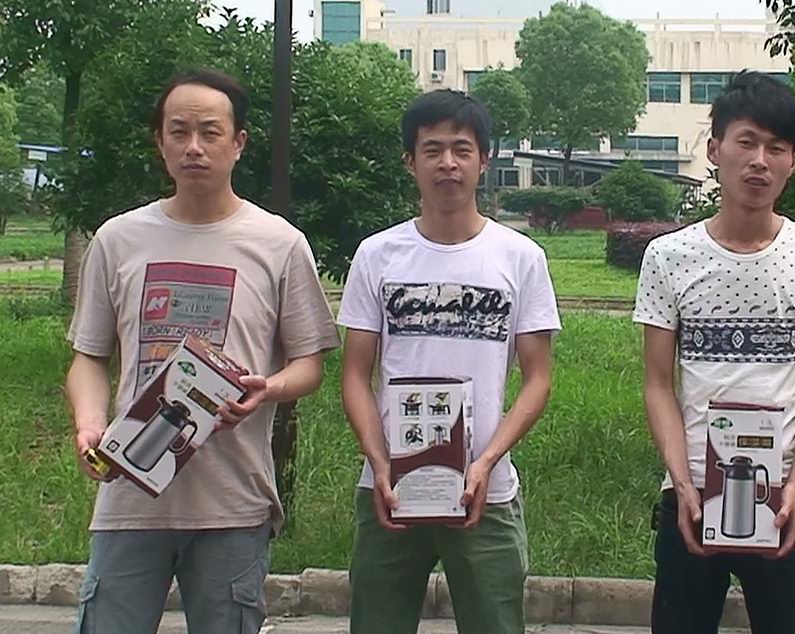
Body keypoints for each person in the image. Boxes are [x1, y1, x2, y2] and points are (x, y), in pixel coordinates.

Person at [66, 69, 340, 634]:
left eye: (210, 132)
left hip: (232, 501)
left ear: (238, 143)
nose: (194, 146)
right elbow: (90, 355)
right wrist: (90, 422)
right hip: (129, 495)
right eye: (179, 131)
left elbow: (309, 364)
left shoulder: (280, 244)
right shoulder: (118, 239)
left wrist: (269, 389)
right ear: (160, 143)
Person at [634, 71, 795, 634]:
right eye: (746, 142)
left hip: (785, 499)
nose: (759, 161)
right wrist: (682, 483)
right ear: (715, 150)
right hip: (690, 495)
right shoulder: (668, 256)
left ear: (793, 162)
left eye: (776, 148)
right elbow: (658, 382)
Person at [338, 89, 561, 634]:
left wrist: (486, 462)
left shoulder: (520, 258)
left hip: (487, 489)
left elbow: (538, 379)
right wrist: (380, 462)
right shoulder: (377, 255)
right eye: (432, 150)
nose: (447, 164)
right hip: (389, 489)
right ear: (409, 162)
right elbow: (355, 375)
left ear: (485, 160)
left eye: (462, 149)